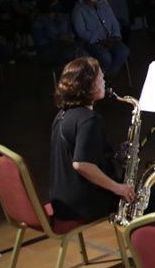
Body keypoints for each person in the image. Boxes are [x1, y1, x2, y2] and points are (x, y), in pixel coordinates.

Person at [48, 57, 135, 222]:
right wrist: (119, 189)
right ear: (88, 85)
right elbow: (81, 164)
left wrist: (115, 155)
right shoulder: (88, 119)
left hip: (62, 201)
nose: (104, 81)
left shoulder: (62, 115)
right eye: (100, 78)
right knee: (146, 195)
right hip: (83, 205)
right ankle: (141, 244)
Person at [72, 0, 130, 75]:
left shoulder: (103, 5)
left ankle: (108, 76)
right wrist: (99, 40)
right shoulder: (78, 10)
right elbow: (81, 32)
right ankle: (102, 77)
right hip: (92, 43)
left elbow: (114, 21)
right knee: (105, 57)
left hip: (111, 39)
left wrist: (116, 36)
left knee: (123, 51)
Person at [32, 0, 78, 66]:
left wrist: (70, 36)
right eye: (54, 2)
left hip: (67, 45)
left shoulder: (64, 17)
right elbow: (40, 42)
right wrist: (58, 38)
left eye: (57, 2)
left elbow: (70, 32)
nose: (57, 4)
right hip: (49, 50)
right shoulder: (39, 21)